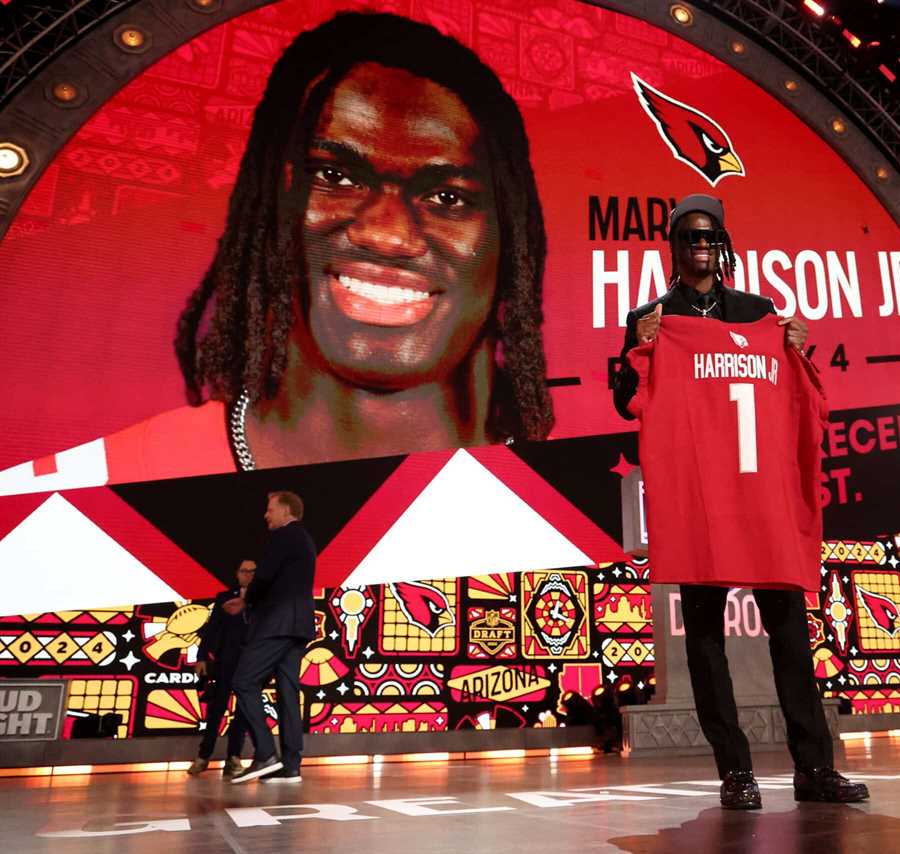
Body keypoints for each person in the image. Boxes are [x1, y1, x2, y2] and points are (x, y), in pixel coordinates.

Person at [0, 11, 553, 497]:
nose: (386, 236)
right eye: (335, 175)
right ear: (270, 200)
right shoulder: (73, 493)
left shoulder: (577, 482)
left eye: (447, 197)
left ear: (511, 238)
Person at [613, 194, 869, 810]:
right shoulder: (651, 316)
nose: (700, 247)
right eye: (689, 238)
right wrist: (637, 351)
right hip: (699, 503)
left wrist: (798, 349)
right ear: (674, 247)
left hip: (759, 500)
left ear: (722, 244)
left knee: (789, 636)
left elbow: (796, 391)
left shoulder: (759, 313)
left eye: (709, 237)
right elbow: (627, 402)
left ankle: (814, 768)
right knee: (704, 641)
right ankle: (736, 772)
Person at [229, 491, 316, 783]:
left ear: (286, 511)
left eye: (270, 509)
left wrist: (246, 598)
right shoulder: (303, 538)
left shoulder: (284, 536)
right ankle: (291, 765)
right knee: (288, 694)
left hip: (277, 624)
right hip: (297, 626)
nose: (266, 515)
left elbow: (263, 577)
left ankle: (265, 753)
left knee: (243, 681)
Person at [187, 559, 257, 778]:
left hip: (252, 662)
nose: (248, 575)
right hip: (226, 661)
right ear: (237, 574)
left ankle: (233, 758)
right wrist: (201, 657)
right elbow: (211, 630)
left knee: (244, 711)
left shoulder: (264, 599)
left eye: (252, 571)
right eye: (244, 571)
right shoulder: (224, 598)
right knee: (217, 708)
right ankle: (203, 756)